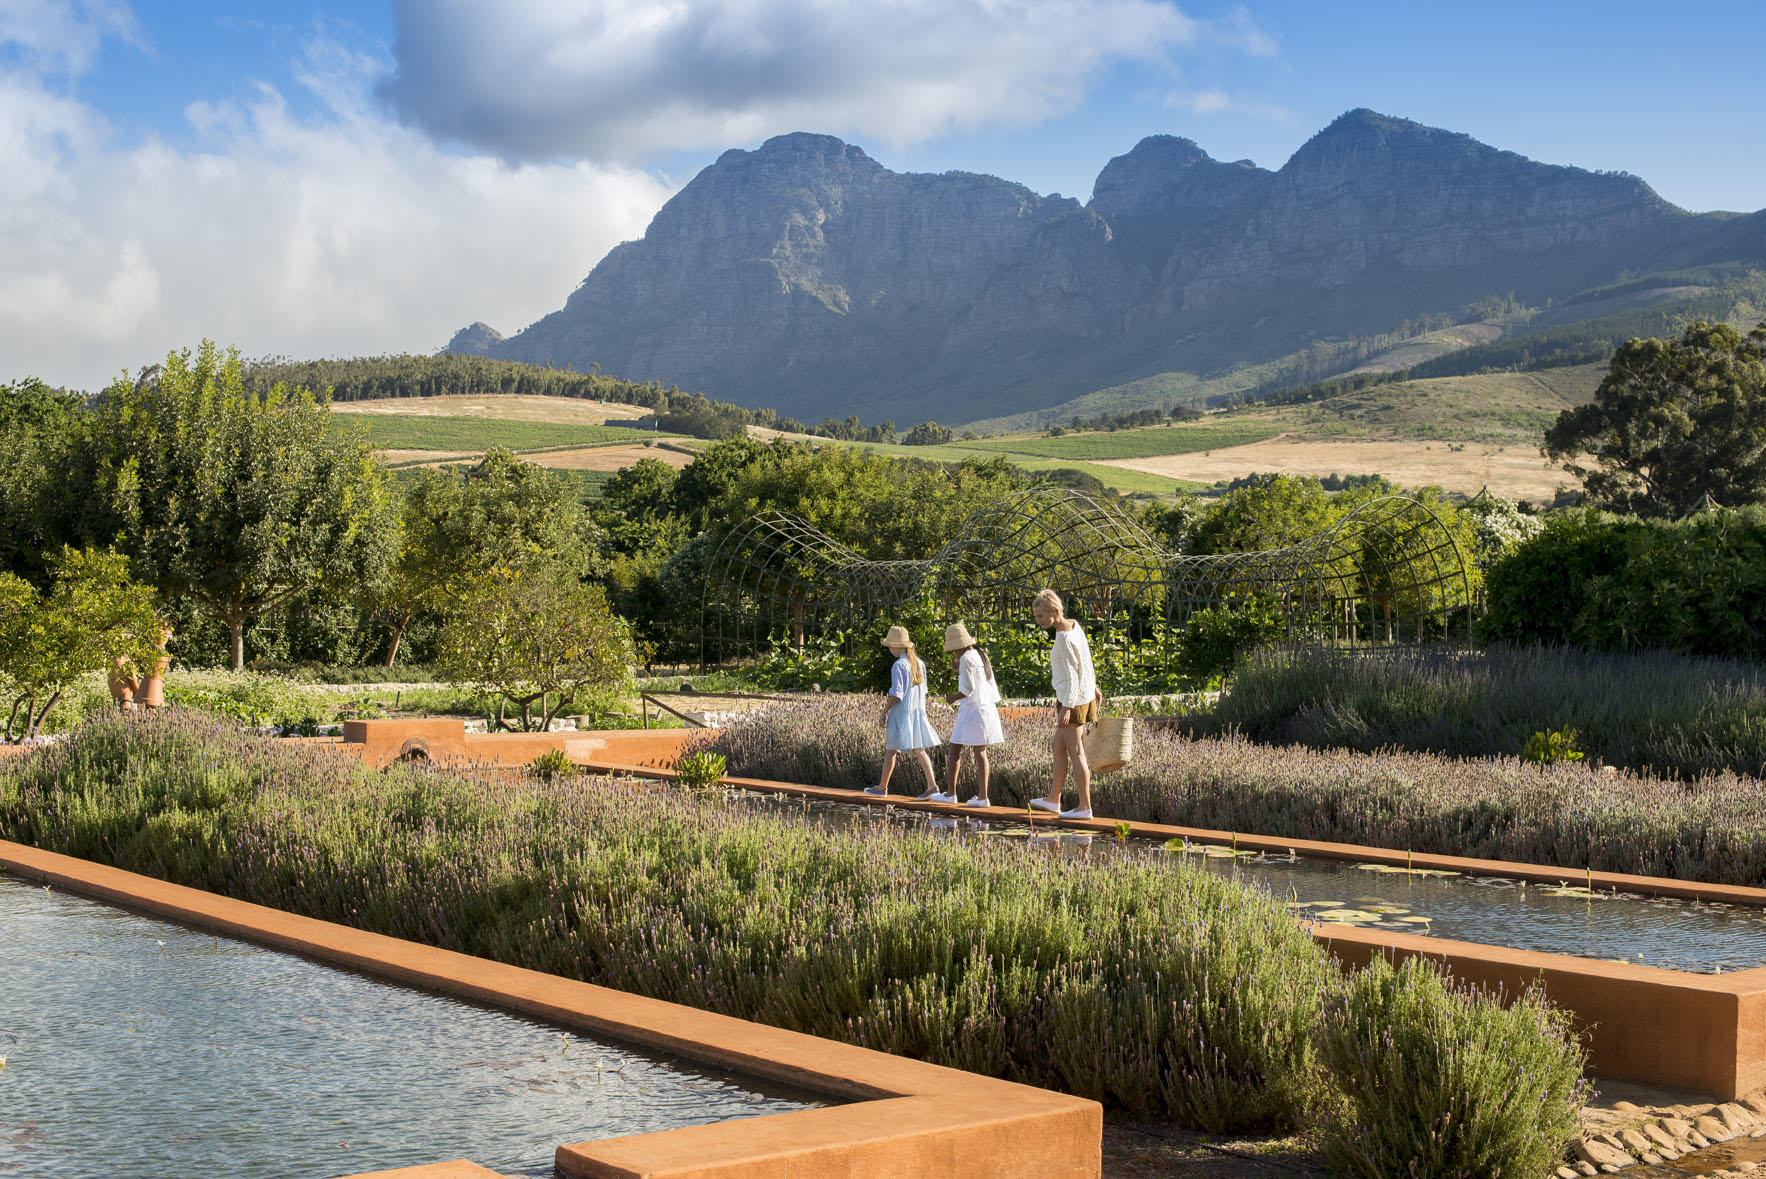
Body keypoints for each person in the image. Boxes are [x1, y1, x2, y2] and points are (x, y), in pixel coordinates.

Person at [1027, 589, 1100, 820]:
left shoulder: (1063, 638)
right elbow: (1085, 662)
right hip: (1081, 695)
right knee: (1058, 747)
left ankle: (1084, 807)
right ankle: (1052, 799)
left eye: (1040, 616)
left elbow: (1072, 674)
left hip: (1073, 700)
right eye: (1036, 616)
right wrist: (1094, 687)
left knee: (1076, 752)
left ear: (1054, 611)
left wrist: (1066, 707)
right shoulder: (1074, 626)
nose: (1038, 621)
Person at [864, 625, 942, 798]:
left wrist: (884, 711)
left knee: (891, 750)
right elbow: (924, 691)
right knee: (918, 749)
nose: (889, 649)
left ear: (895, 646)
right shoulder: (919, 664)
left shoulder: (899, 665)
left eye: (890, 645)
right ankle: (932, 785)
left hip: (901, 714)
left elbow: (897, 694)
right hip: (916, 712)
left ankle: (882, 788)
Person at [940, 622, 1003, 806]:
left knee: (954, 750)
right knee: (980, 752)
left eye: (953, 649)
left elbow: (967, 689)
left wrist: (952, 697)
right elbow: (980, 679)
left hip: (971, 711)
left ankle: (951, 794)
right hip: (984, 709)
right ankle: (983, 796)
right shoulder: (979, 655)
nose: (953, 653)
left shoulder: (966, 658)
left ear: (959, 646)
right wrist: (958, 669)